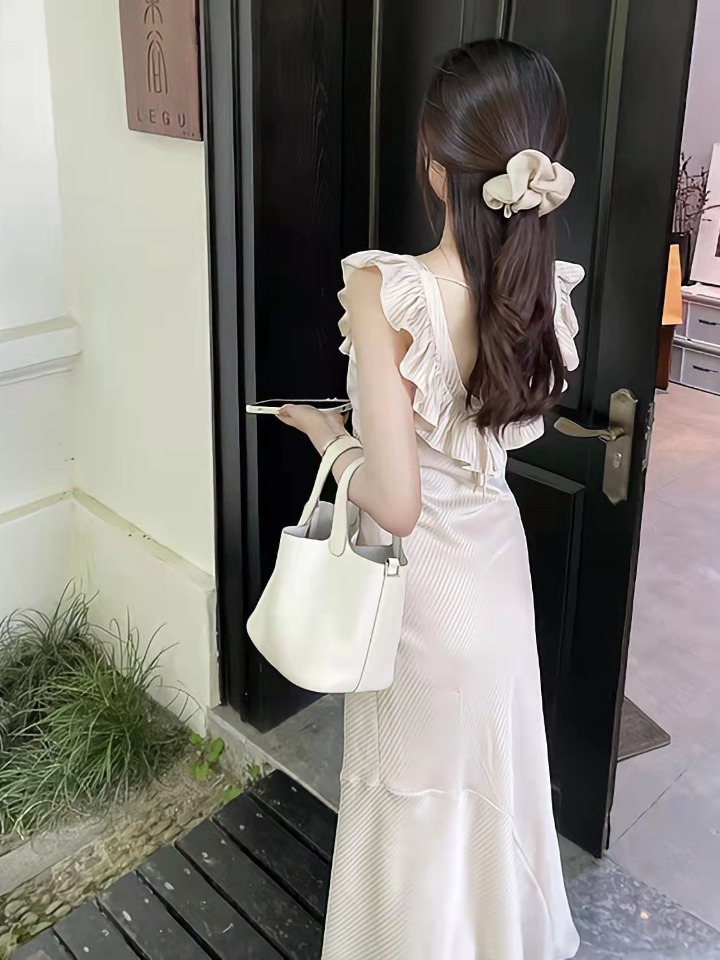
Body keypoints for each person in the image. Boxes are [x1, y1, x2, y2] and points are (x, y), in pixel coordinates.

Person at [277, 38, 582, 960]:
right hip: (498, 584)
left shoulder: (386, 287)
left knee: (412, 808)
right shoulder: (542, 285)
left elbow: (399, 504)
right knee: (492, 792)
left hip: (423, 603)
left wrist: (326, 435)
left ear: (435, 161)